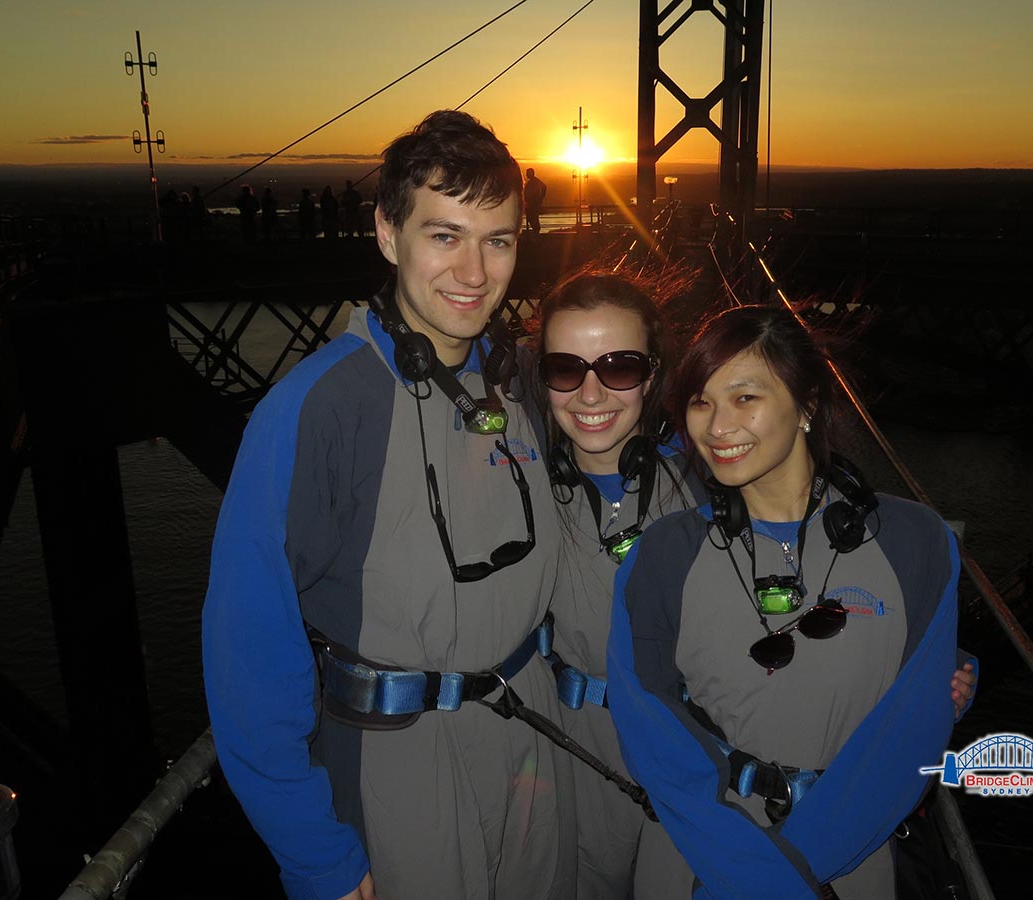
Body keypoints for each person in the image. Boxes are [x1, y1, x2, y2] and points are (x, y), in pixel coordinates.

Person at [202, 109, 575, 900]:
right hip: (400, 758)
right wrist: (315, 851)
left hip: (531, 737)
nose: (474, 272)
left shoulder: (514, 380)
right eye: (445, 235)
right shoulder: (318, 408)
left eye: (498, 240)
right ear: (385, 232)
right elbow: (249, 651)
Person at [607, 304, 964, 900]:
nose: (716, 426)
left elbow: (909, 735)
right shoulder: (665, 554)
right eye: (700, 400)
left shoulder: (915, 542)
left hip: (851, 856)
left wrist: (785, 874)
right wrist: (750, 870)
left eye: (745, 398)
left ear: (807, 405)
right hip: (701, 855)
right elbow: (650, 730)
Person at [534, 271, 702, 899]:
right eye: (565, 368)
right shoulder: (517, 495)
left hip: (692, 745)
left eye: (621, 367)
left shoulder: (709, 486)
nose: (591, 392)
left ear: (654, 374)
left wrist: (936, 661)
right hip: (577, 752)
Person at [524, 167, 547, 236]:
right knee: (532, 219)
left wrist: (540, 198)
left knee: (533, 220)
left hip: (533, 205)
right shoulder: (532, 182)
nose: (526, 175)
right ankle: (536, 234)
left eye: (527, 173)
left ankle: (536, 235)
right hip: (531, 204)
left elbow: (544, 187)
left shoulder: (535, 181)